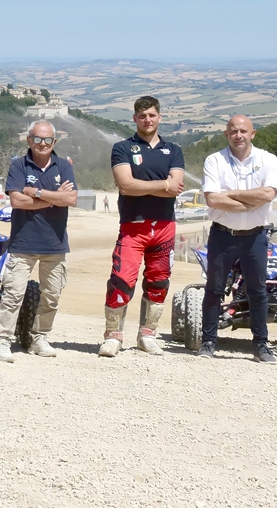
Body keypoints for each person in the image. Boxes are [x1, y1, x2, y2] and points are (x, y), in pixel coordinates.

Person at [99, 96, 185, 358]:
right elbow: (126, 185)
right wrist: (163, 185)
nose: (147, 120)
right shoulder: (123, 148)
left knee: (158, 282)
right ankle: (113, 335)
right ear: (134, 118)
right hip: (133, 227)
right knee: (121, 281)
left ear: (159, 117)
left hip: (164, 227)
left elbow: (176, 188)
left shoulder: (174, 150)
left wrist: (148, 187)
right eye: (142, 115)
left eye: (151, 115)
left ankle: (147, 335)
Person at [197, 115, 277, 364]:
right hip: (223, 235)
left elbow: (268, 193)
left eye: (243, 131)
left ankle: (261, 345)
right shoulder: (214, 160)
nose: (239, 135)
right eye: (233, 131)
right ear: (226, 134)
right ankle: (209, 341)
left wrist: (231, 195)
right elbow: (213, 200)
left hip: (255, 236)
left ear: (252, 133)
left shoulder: (268, 159)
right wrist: (250, 203)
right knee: (213, 290)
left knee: (257, 291)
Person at [0, 121, 79, 362]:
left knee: (52, 295)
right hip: (23, 242)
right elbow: (17, 201)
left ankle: (39, 338)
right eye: (38, 139)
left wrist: (37, 193)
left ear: (54, 142)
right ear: (29, 140)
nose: (42, 144)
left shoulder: (63, 166)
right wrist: (55, 199)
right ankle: (2, 340)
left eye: (47, 140)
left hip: (55, 243)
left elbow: (71, 198)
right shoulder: (18, 165)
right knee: (13, 295)